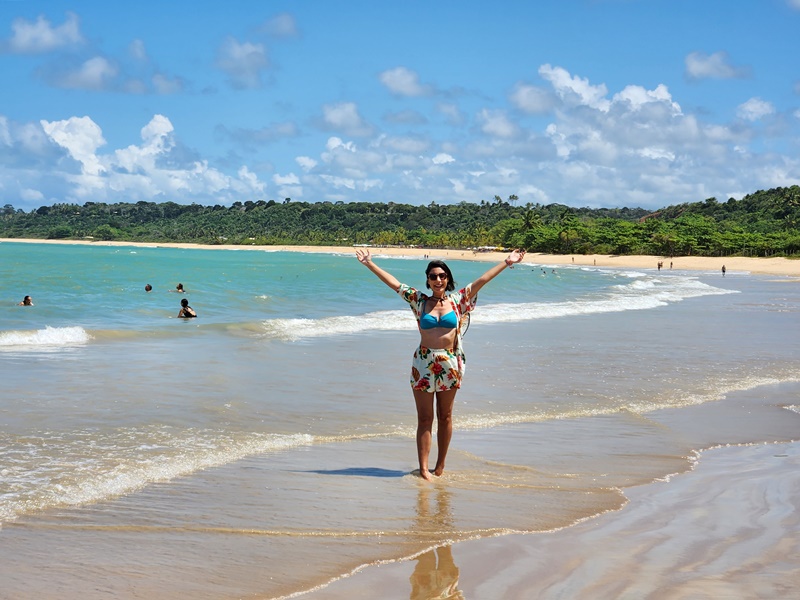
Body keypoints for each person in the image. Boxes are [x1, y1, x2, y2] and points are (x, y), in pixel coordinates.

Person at [356, 248, 525, 480]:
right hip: (423, 362)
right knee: (425, 418)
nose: (438, 280)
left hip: (449, 362)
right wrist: (369, 264)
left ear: (448, 279)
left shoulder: (459, 301)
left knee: (445, 416)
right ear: (427, 280)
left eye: (442, 276)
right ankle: (423, 468)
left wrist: (507, 262)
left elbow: (482, 280)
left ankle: (440, 466)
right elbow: (394, 283)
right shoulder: (418, 300)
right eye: (433, 276)